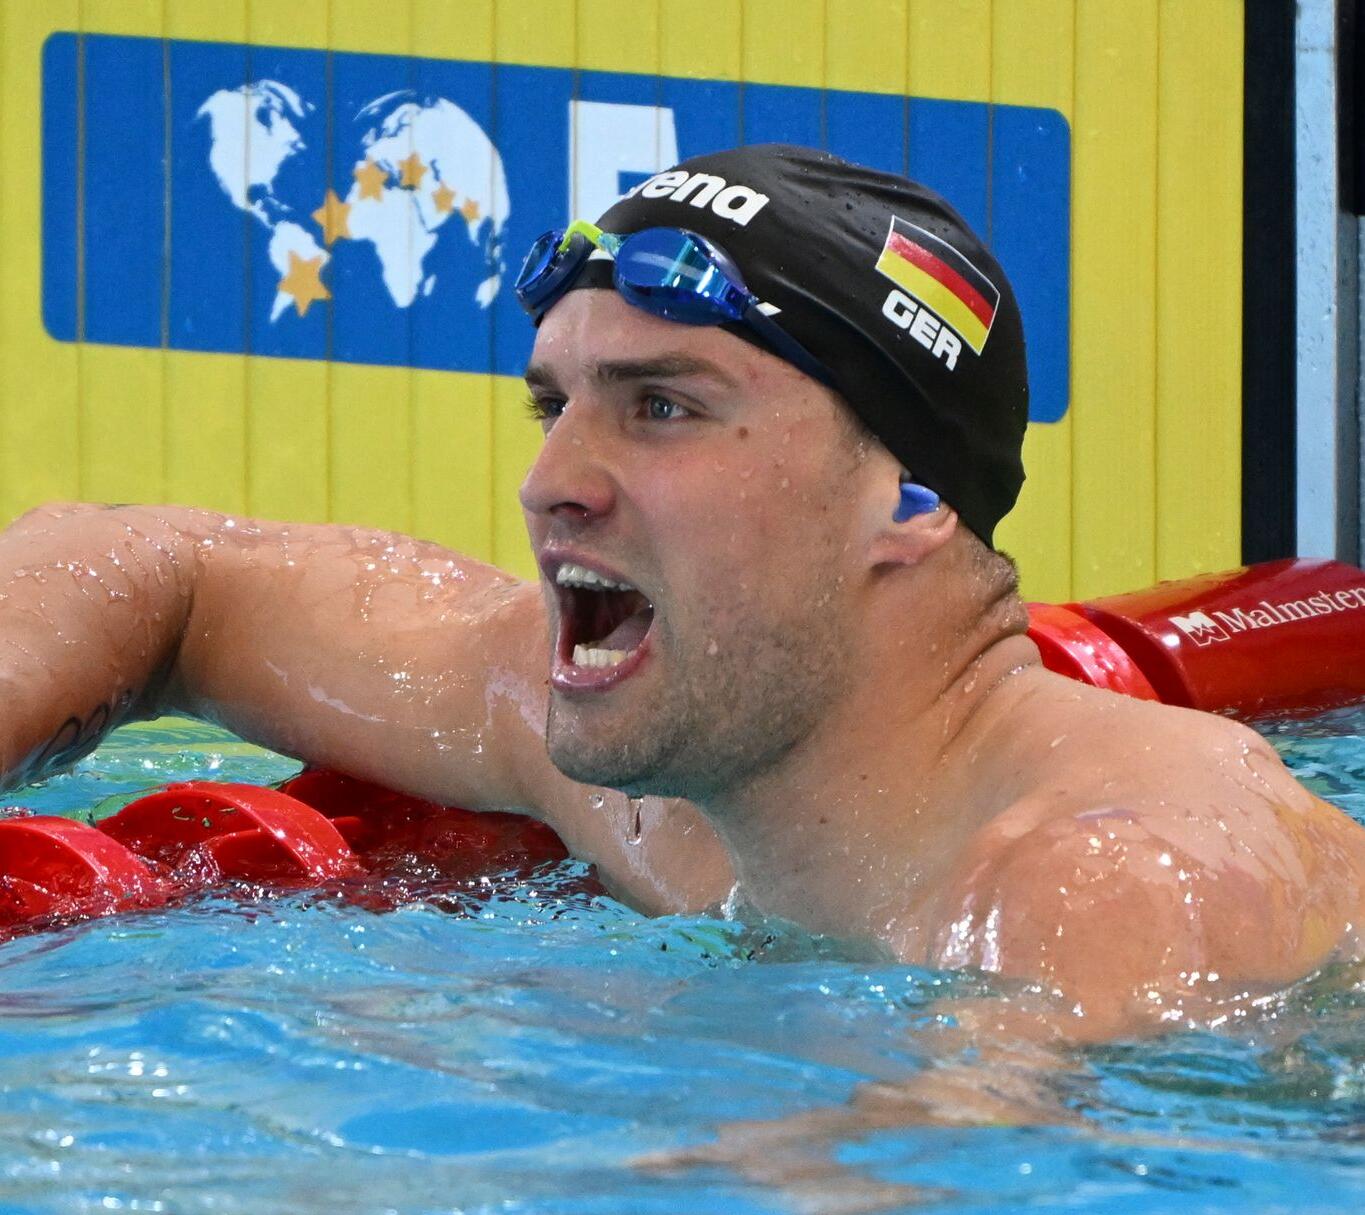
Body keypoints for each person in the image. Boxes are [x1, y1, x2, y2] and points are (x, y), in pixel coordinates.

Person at [2, 144, 1362, 1050]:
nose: (549, 484)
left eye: (661, 407)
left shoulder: (1095, 894)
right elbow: (167, 570)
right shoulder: (659, 771)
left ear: (909, 501)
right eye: (554, 405)